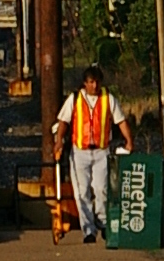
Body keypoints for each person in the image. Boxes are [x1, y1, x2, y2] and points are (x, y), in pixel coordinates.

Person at [52, 65, 135, 243]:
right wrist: (59, 140)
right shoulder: (74, 99)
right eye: (91, 82)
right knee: (82, 193)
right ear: (85, 83)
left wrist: (129, 140)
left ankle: (103, 223)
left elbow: (120, 120)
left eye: (97, 82)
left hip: (101, 150)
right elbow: (63, 121)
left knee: (101, 189)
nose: (94, 86)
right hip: (79, 151)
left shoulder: (108, 99)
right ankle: (88, 230)